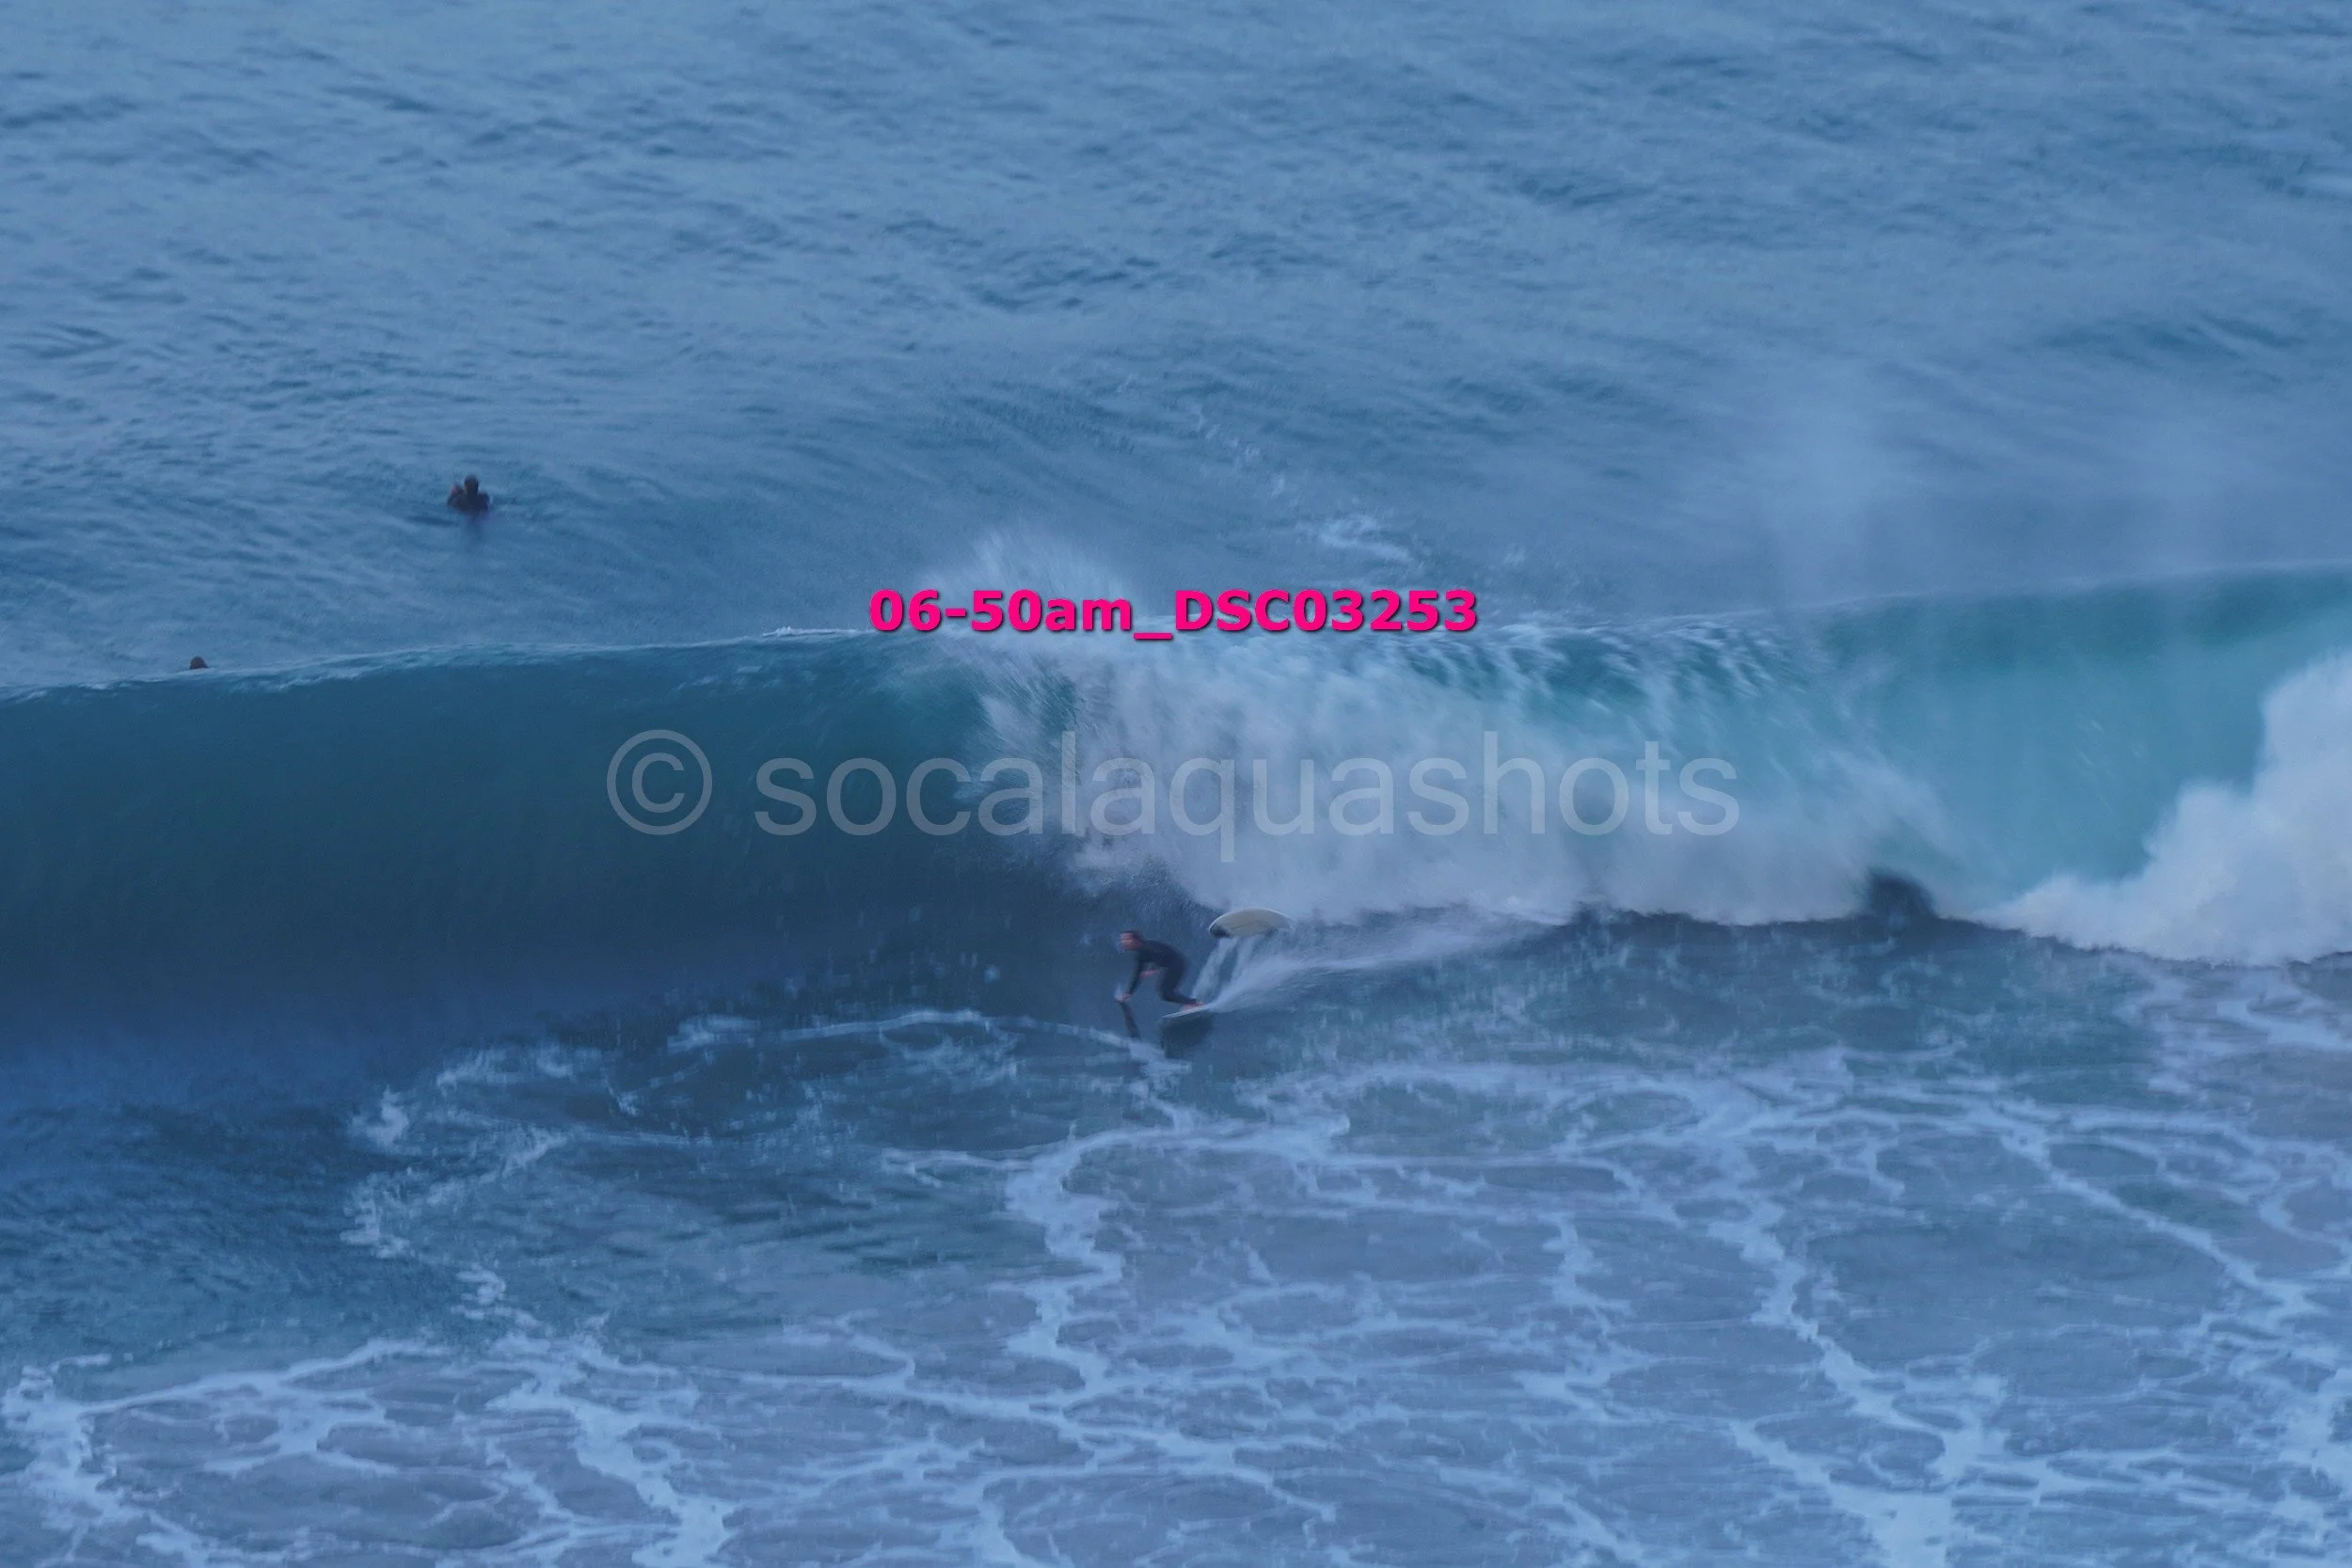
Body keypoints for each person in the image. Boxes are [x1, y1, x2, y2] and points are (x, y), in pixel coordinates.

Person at [1116, 929, 1198, 1008]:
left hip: (1178, 963)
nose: (1123, 942)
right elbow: (1137, 975)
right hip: (1173, 965)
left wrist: (1152, 969)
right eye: (1122, 940)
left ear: (1135, 939)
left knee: (1165, 992)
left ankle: (1194, 1003)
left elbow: (1160, 954)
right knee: (1165, 993)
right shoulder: (1140, 954)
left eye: (1126, 939)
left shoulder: (1147, 946)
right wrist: (1129, 993)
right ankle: (1190, 1003)